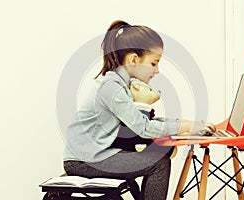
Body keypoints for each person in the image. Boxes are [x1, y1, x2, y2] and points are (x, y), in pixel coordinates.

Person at [63, 20, 216, 200]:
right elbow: (143, 128)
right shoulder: (112, 88)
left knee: (157, 154)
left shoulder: (120, 85)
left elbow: (145, 122)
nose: (157, 70)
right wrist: (187, 126)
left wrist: (187, 125)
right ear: (134, 59)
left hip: (95, 155)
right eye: (154, 63)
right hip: (85, 160)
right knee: (159, 163)